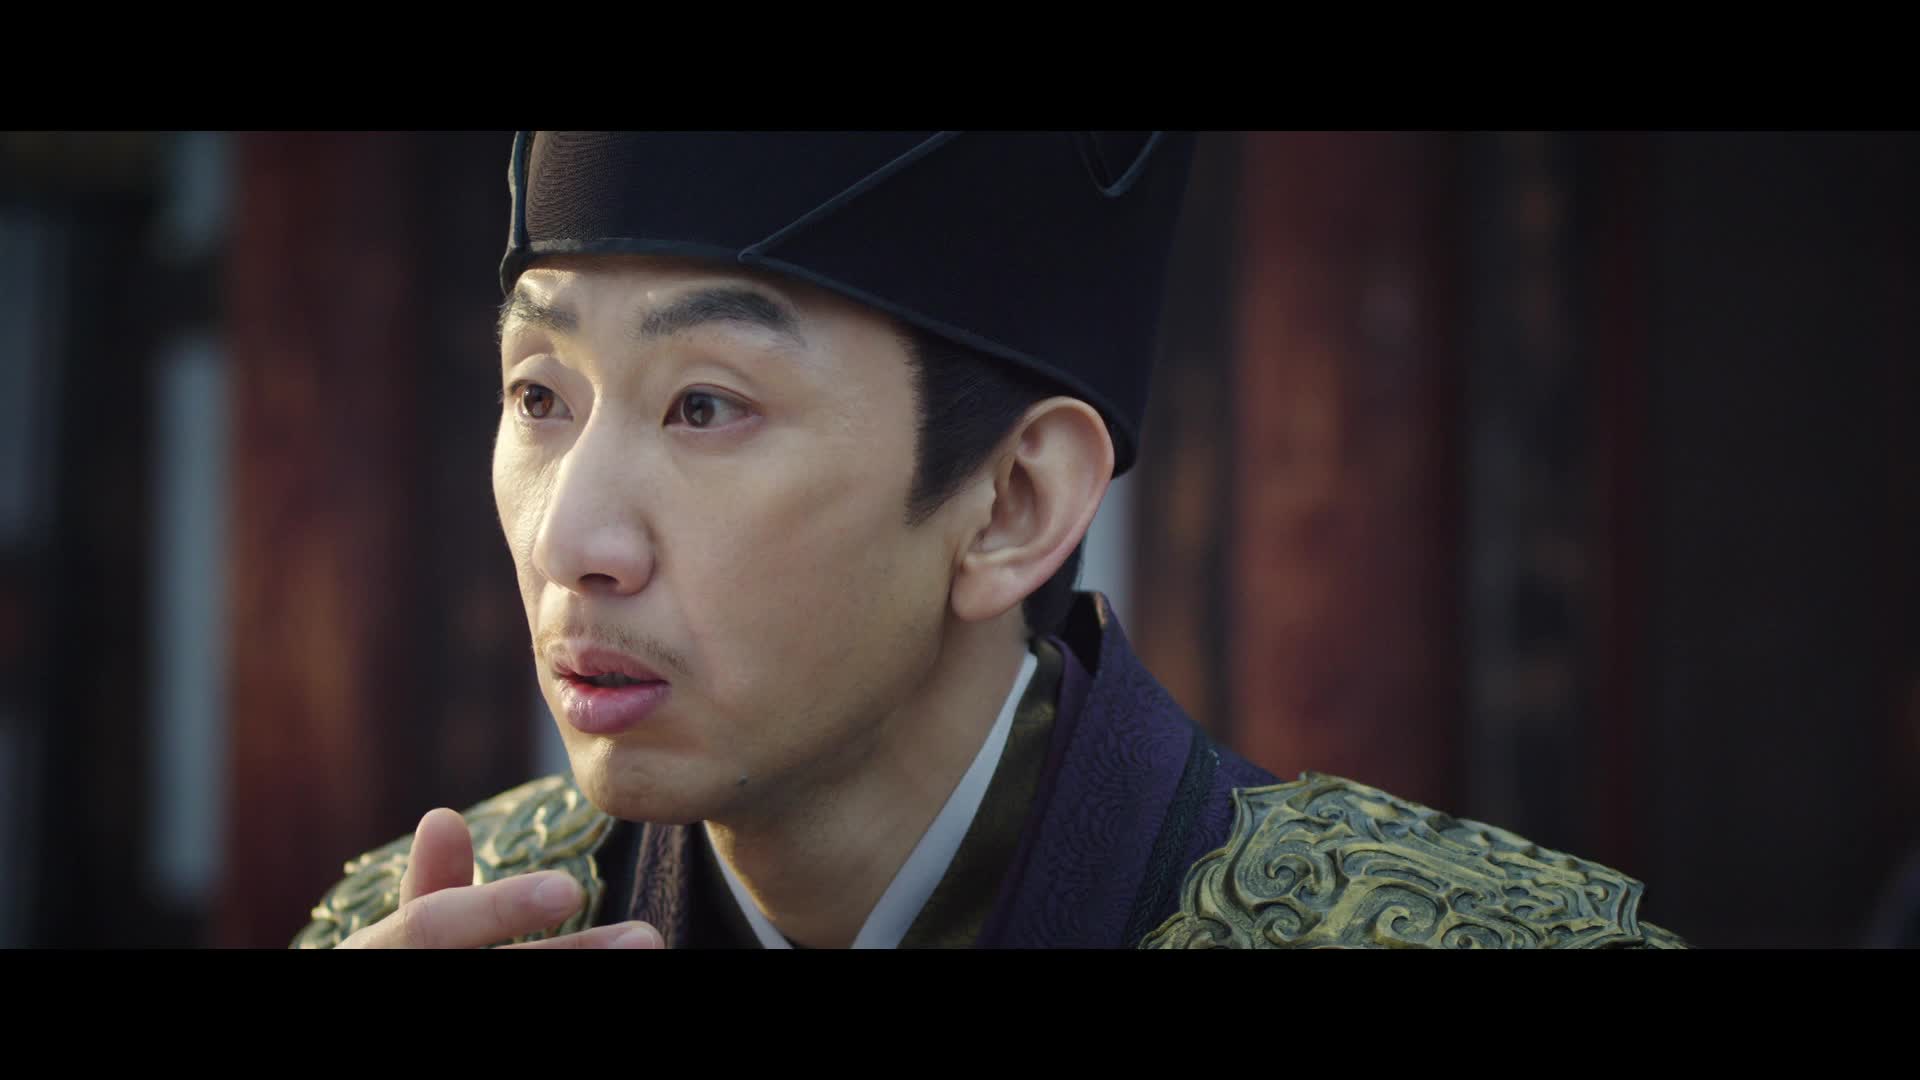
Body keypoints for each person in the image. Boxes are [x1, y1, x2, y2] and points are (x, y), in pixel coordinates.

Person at [294, 132, 1683, 949]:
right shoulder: (424, 918)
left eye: (704, 405)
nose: (574, 540)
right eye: (540, 396)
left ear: (1014, 502)